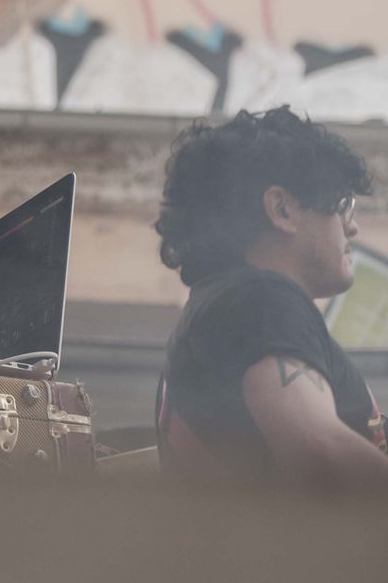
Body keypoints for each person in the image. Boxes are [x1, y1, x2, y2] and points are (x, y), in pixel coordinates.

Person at [155, 107, 388, 486]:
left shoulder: (227, 306)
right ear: (282, 209)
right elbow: (320, 452)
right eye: (341, 205)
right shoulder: (259, 301)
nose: (353, 228)